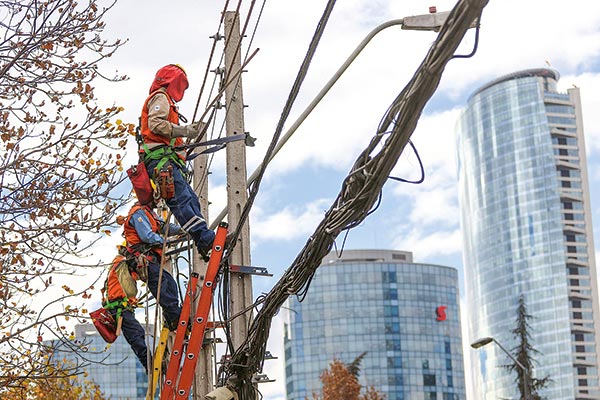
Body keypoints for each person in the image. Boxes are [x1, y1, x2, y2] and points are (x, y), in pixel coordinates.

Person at [139, 64, 216, 254]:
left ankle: (203, 240)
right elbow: (156, 124)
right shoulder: (161, 97)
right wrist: (186, 130)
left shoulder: (166, 101)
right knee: (182, 200)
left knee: (190, 199)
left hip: (166, 160)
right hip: (161, 161)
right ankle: (204, 239)